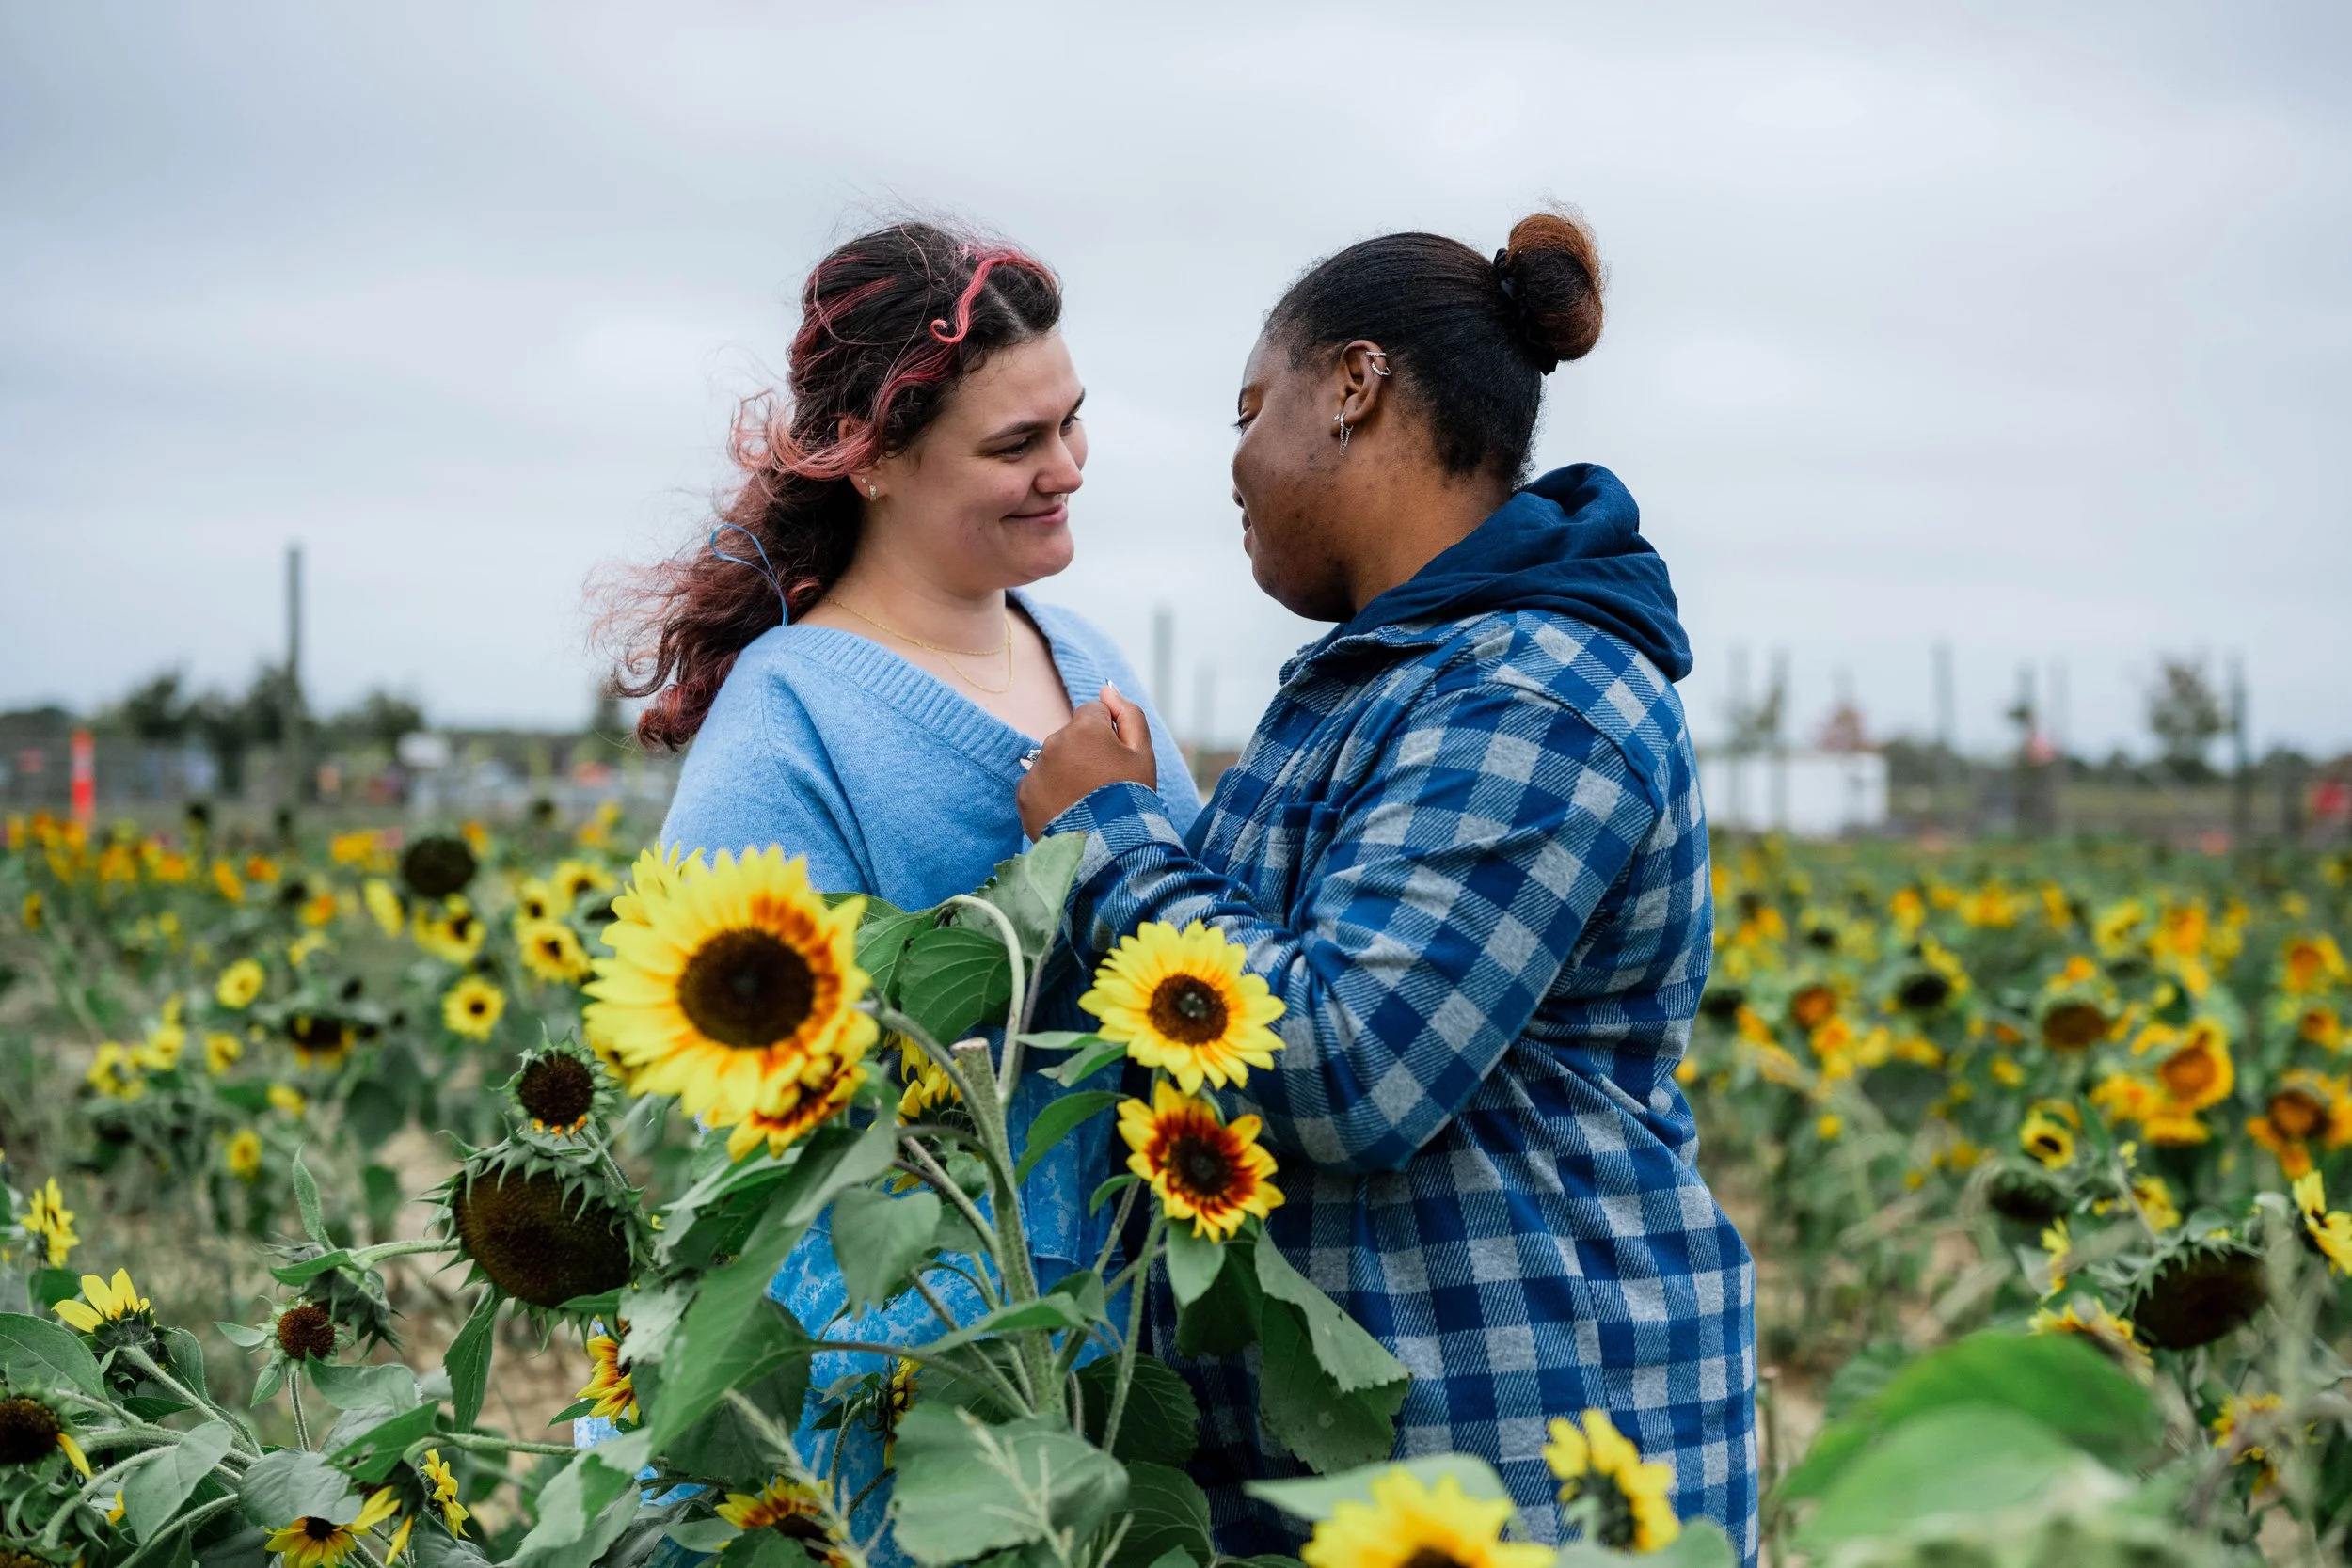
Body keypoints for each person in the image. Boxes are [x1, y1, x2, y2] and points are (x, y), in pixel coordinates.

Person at [1016, 212, 1756, 1560]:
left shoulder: (1536, 689)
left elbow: (1351, 1058)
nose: (1233, 465)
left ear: (1354, 385)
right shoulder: (1401, 675)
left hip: (1527, 1463)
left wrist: (1112, 836)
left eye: (1251, 407)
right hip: (1386, 1456)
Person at [601, 219, 1200, 1547]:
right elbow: (763, 1101)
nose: (1068, 471)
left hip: (1100, 1333)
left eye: (1072, 424)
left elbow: (1201, 951)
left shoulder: (1087, 650)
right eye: (1015, 447)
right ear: (872, 458)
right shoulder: (790, 719)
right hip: (896, 1366)